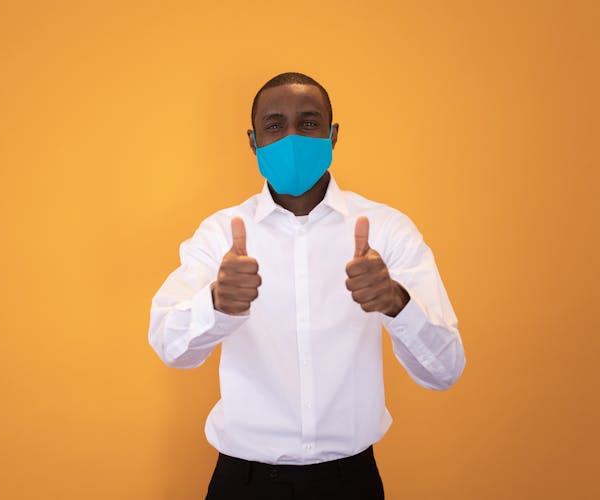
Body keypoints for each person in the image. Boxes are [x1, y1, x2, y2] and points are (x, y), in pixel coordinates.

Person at [148, 72, 466, 500]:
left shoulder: (387, 230)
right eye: (275, 125)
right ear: (253, 140)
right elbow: (170, 348)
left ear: (333, 135)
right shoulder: (220, 233)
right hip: (243, 485)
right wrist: (216, 304)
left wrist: (396, 301)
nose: (293, 137)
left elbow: (444, 371)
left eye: (310, 123)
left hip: (350, 484)